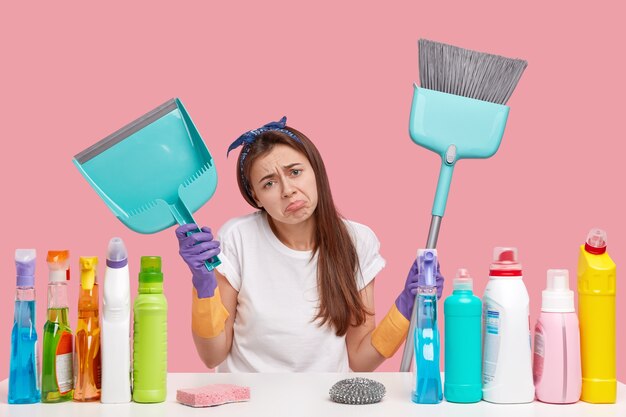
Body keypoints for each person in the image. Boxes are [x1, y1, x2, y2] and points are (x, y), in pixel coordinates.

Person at [175, 117, 444, 372]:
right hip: (251, 402)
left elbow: (361, 359)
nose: (287, 189)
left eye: (295, 172)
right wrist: (203, 285)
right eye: (269, 183)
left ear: (316, 170)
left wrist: (407, 305)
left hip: (324, 403)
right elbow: (213, 356)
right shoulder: (237, 238)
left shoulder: (357, 241)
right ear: (255, 197)